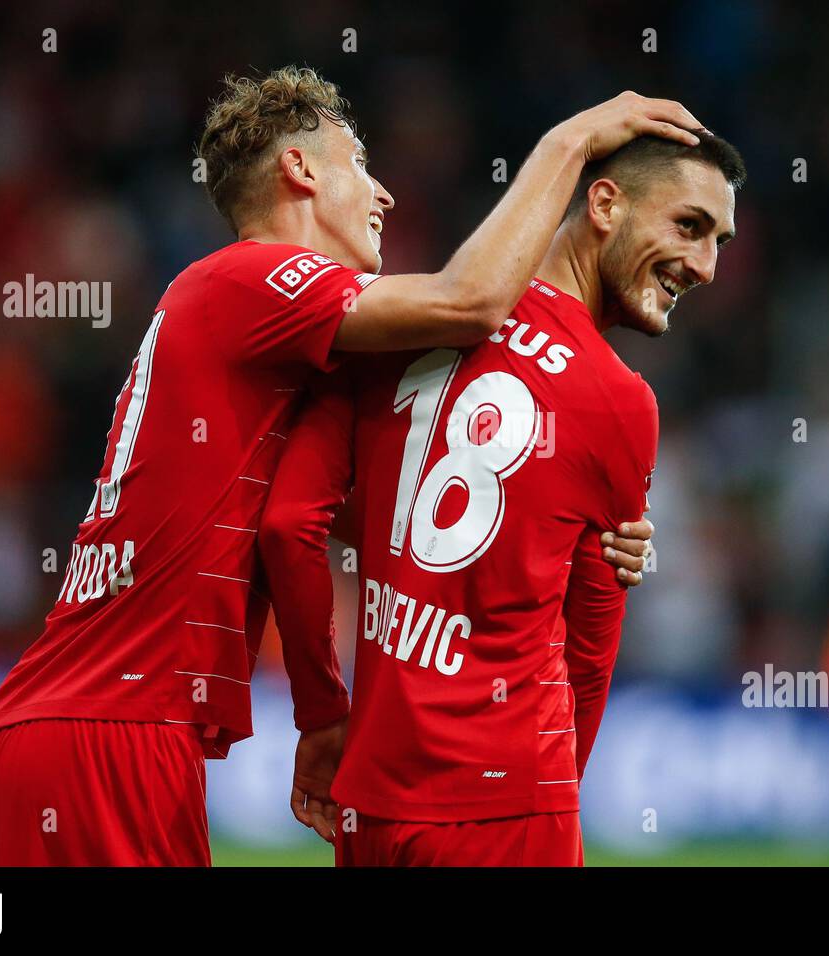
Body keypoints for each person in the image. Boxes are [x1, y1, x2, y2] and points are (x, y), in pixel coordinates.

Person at [0, 65, 694, 866]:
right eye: (362, 167)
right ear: (301, 172)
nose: (384, 196)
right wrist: (569, 142)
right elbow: (469, 300)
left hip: (47, 725)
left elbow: (349, 512)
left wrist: (591, 532)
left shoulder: (243, 320)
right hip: (115, 735)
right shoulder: (261, 275)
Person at [259, 129, 745, 865]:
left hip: (374, 802)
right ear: (605, 204)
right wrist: (550, 805)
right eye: (689, 226)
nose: (707, 265)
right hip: (509, 803)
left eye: (720, 240)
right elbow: (589, 650)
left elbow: (292, 524)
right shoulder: (619, 403)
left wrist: (323, 713)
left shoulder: (392, 324)